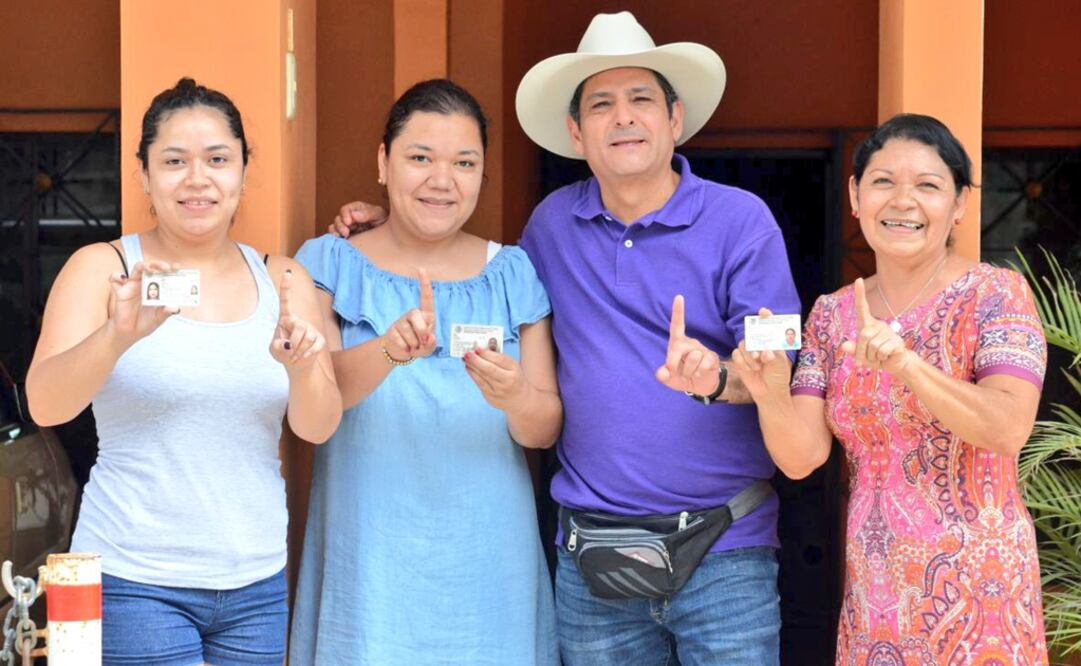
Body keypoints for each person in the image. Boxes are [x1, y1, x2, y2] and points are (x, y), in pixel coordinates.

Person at [331, 13, 798, 665]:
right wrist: (392, 227)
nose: (623, 117)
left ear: (673, 117)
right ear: (576, 132)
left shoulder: (740, 221)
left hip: (722, 547)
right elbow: (474, 266)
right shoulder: (551, 226)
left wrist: (719, 378)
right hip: (592, 561)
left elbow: (782, 373)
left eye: (640, 99)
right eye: (601, 105)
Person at [26, 78, 342, 665]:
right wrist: (117, 335)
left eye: (217, 159)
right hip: (133, 576)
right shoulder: (102, 269)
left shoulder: (286, 279)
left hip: (256, 582)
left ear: (245, 169)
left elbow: (318, 427)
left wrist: (302, 369)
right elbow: (46, 404)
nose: (197, 179)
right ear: (143, 173)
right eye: (174, 161)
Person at [732, 114, 1049, 664]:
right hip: (875, 596)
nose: (902, 201)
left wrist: (909, 366)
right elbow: (801, 458)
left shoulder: (998, 294)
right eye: (883, 181)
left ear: (959, 205)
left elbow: (1007, 427)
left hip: (982, 597)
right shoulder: (831, 316)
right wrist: (770, 394)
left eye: (927, 185)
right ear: (855, 196)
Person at [289, 79, 560, 665]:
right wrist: (389, 351)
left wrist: (515, 395)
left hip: (490, 562)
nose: (443, 180)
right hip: (371, 559)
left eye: (465, 162)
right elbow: (319, 400)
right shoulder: (329, 263)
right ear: (383, 163)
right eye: (420, 158)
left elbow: (543, 428)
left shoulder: (512, 272)